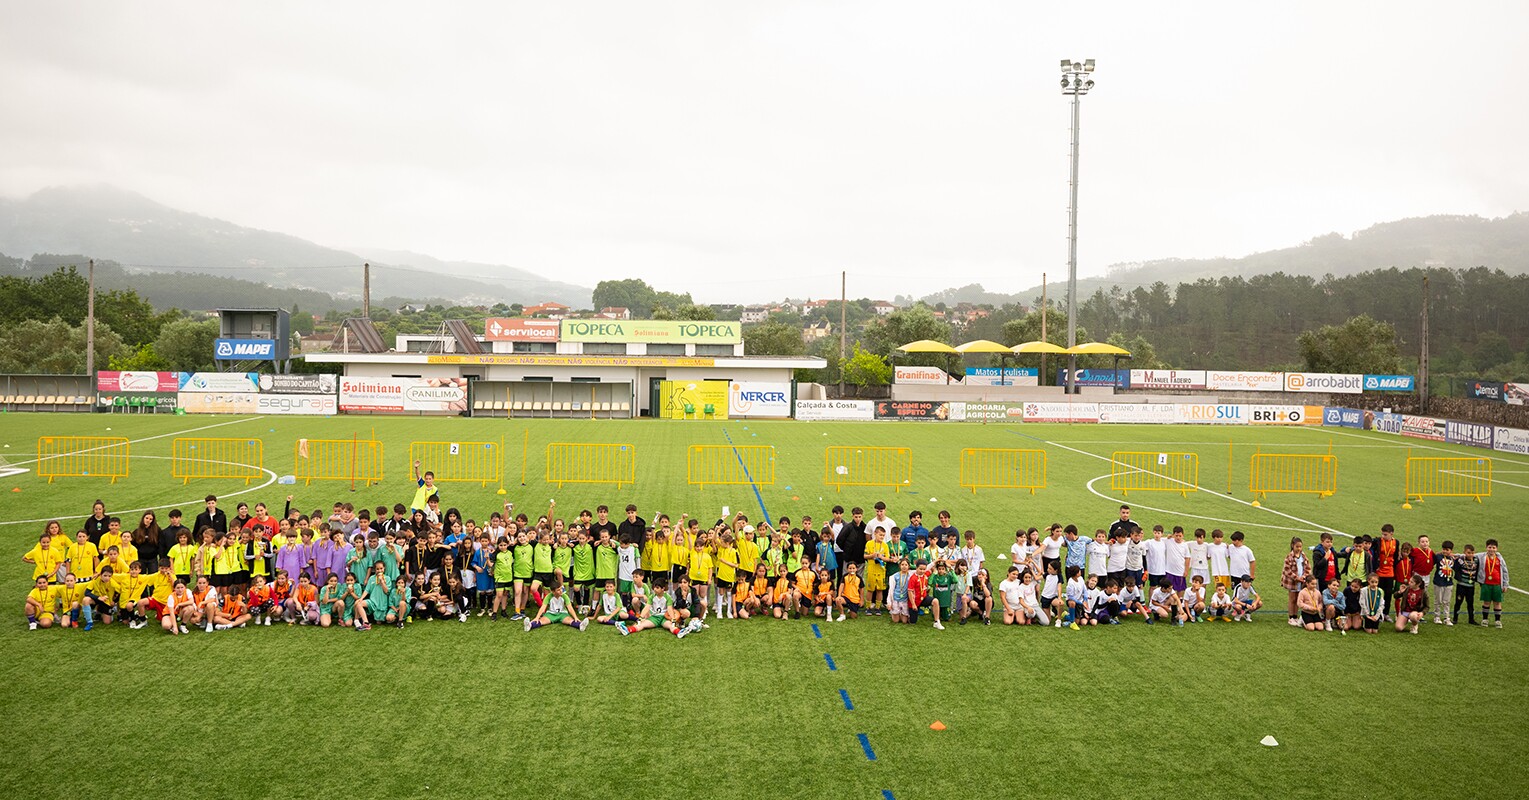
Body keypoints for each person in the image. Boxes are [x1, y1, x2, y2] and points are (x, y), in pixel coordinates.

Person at [1477, 539, 1509, 628]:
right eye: (1489, 547)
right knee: (1486, 602)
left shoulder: (1500, 558)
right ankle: (1485, 619)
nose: (1491, 549)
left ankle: (1497, 621)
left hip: (1497, 585)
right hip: (1486, 584)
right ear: (1486, 548)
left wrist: (1505, 584)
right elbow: (1469, 555)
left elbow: (1505, 571)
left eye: (1493, 548)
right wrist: (1455, 555)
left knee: (1497, 602)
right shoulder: (1481, 556)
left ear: (1496, 548)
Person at [1281, 537, 1308, 627]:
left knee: (1297, 599)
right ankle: (1291, 617)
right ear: (1292, 546)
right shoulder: (1289, 557)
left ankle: (1295, 616)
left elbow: (1308, 567)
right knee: (1292, 599)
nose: (1299, 548)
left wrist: (1304, 576)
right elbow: (1287, 570)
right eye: (1297, 546)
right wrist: (1296, 578)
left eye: (1300, 547)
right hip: (1292, 582)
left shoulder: (1303, 556)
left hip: (1301, 581)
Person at [1453, 543, 1479, 626]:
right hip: (1461, 585)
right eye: (1468, 553)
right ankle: (1455, 619)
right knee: (1458, 602)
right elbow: (1455, 567)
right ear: (1464, 552)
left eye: (1472, 553)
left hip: (1471, 586)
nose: (1470, 555)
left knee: (1470, 603)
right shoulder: (1460, 560)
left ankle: (1471, 619)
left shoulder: (1476, 560)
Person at [1431, 541, 1456, 625]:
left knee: (1447, 601)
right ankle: (1437, 616)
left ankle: (1446, 617)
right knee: (1438, 601)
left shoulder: (1453, 558)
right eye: (1443, 549)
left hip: (1449, 583)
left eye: (1447, 550)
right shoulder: (1438, 557)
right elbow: (1431, 559)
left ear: (1451, 550)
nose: (1445, 551)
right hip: (1438, 582)